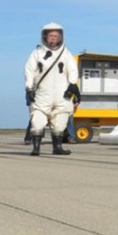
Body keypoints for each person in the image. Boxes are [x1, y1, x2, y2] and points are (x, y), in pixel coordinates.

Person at [23, 22, 78, 156]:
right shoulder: (37, 53)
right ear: (45, 37)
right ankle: (36, 148)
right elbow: (29, 71)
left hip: (62, 93)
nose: (53, 38)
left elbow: (72, 69)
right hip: (42, 93)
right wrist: (29, 88)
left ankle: (57, 147)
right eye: (50, 36)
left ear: (60, 37)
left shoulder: (65, 53)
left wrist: (72, 84)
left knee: (61, 119)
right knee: (37, 118)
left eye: (56, 36)